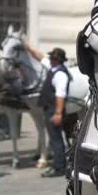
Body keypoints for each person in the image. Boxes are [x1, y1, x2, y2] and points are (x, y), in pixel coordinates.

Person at [23, 43, 71, 177]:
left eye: (52, 58)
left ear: (57, 60)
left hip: (54, 110)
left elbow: (60, 96)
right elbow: (39, 57)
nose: (49, 59)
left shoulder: (60, 75)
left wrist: (58, 113)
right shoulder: (53, 69)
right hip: (50, 109)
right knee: (54, 138)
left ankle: (59, 168)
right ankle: (58, 165)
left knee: (56, 140)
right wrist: (27, 46)